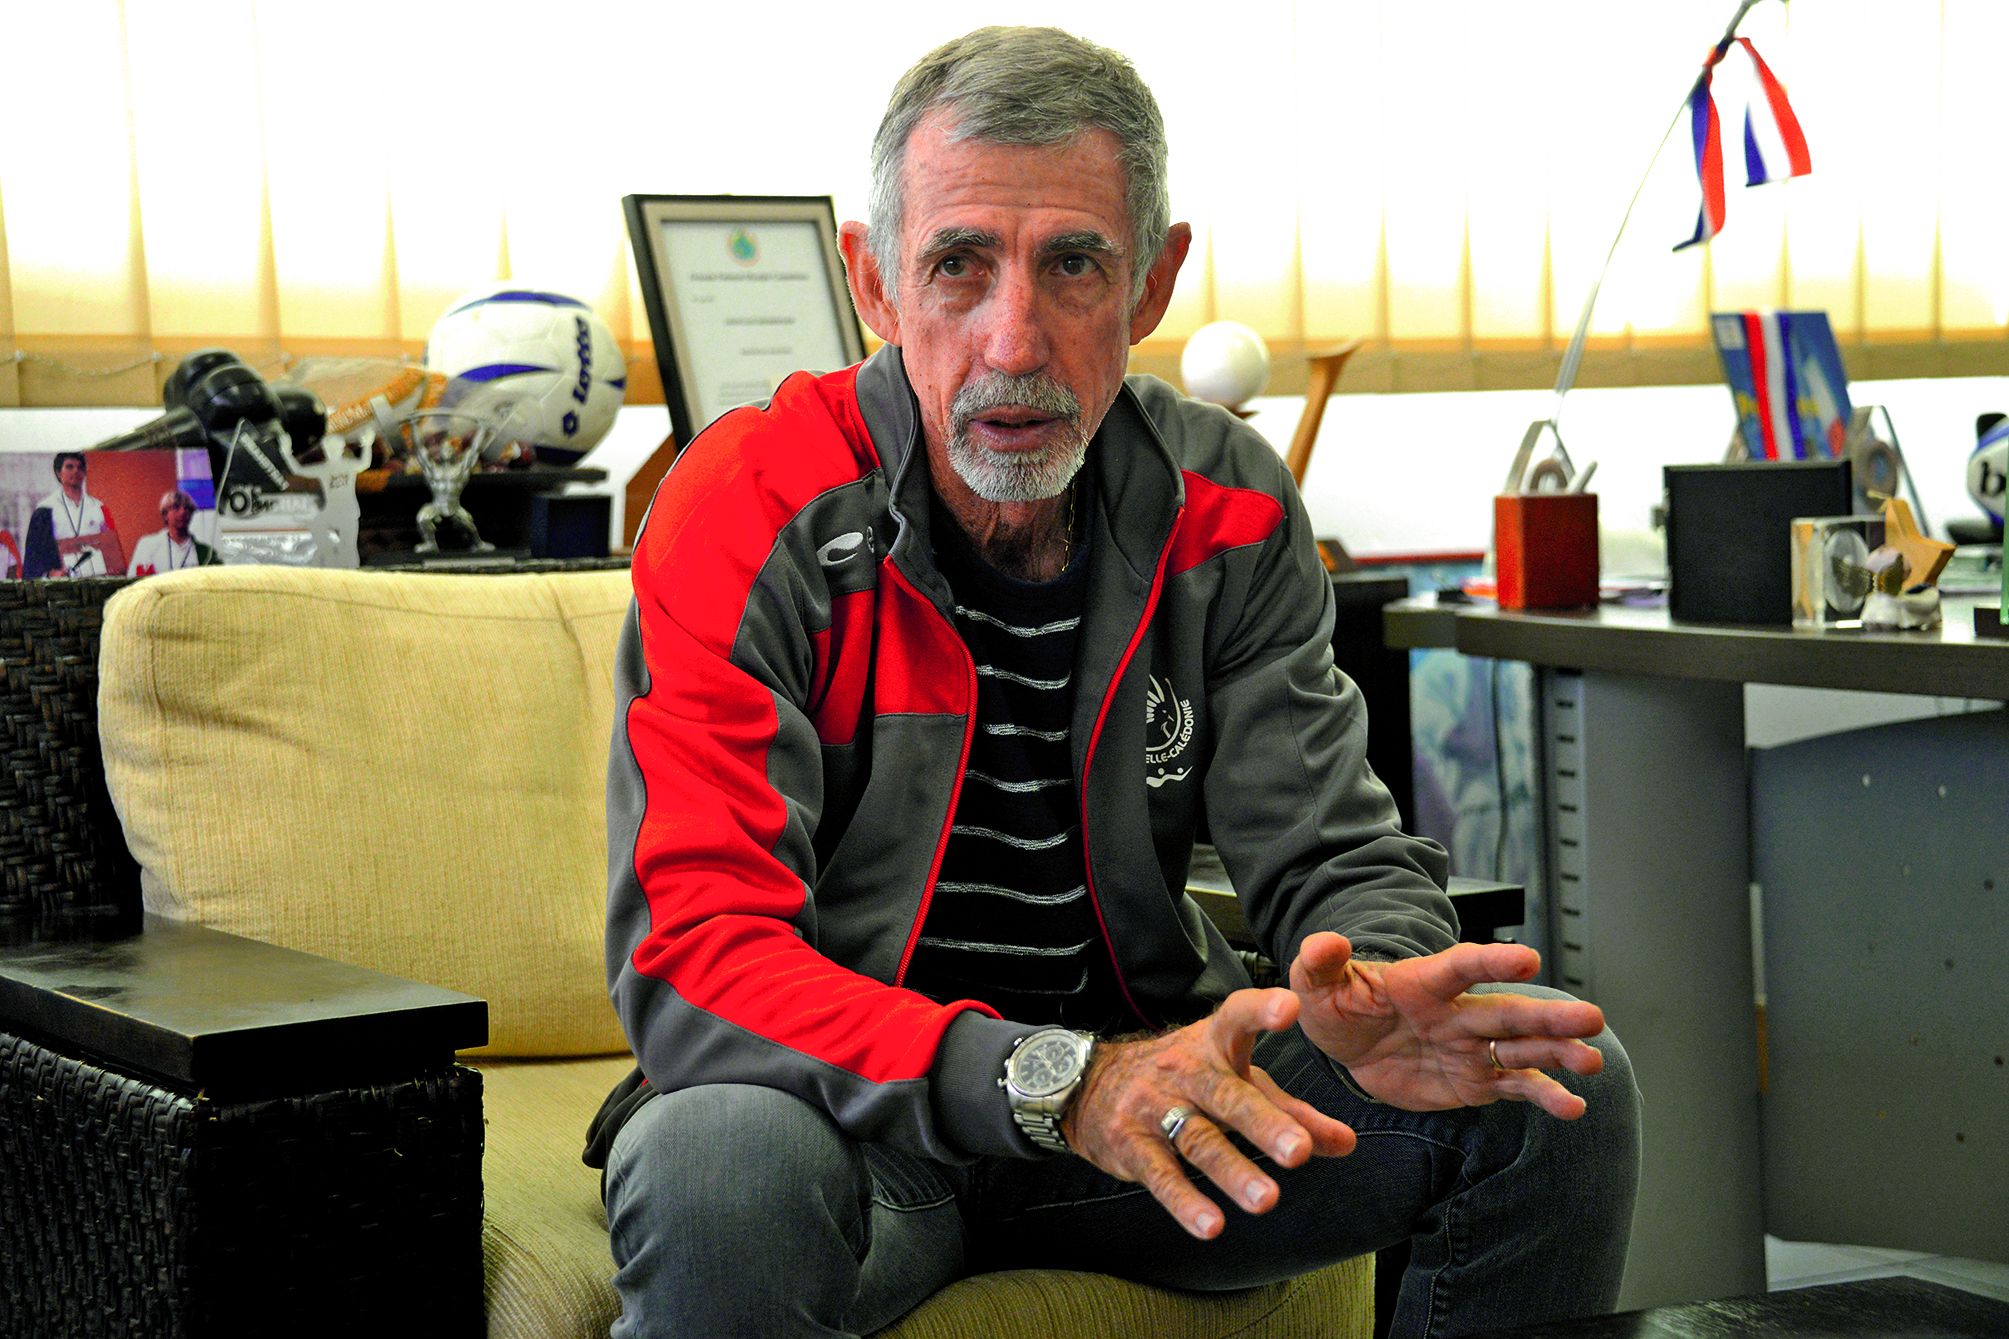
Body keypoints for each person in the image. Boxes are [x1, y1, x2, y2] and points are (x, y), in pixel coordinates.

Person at [591, 26, 1640, 1339]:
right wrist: (1052, 1080)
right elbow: (696, 959)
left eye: (1072, 264)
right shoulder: (750, 504)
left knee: (1546, 1078)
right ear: (873, 281)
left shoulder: (1227, 505)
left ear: (1152, 281)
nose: (1012, 340)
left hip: (1150, 1101)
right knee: (712, 1161)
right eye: (958, 265)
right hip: (849, 1121)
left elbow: (1331, 849)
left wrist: (1379, 979)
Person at [23, 452, 119, 577]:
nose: (75, 471)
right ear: (58, 473)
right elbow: (33, 556)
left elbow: (110, 546)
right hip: (62, 580)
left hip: (96, 576)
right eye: (69, 467)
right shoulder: (45, 509)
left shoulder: (99, 507)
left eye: (80, 467)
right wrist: (51, 574)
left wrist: (113, 567)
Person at [128, 488, 220, 576]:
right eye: (176, 507)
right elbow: (134, 579)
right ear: (165, 514)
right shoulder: (147, 545)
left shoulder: (207, 552)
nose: (183, 512)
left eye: (187, 508)